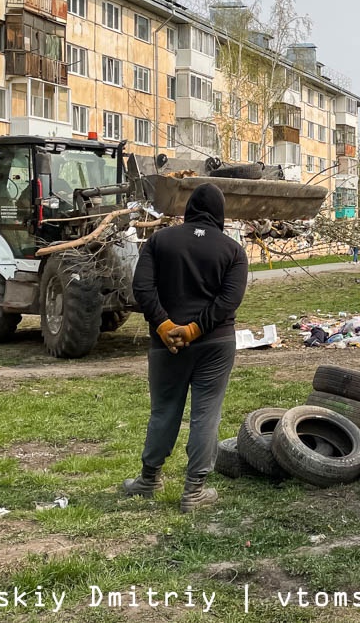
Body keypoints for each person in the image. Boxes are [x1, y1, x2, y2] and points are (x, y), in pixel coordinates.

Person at [124, 183, 248, 513]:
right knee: (206, 413)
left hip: (166, 346)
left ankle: (149, 479)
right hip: (215, 344)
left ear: (189, 208)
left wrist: (165, 326)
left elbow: (142, 287)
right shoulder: (233, 251)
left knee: (164, 411)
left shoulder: (159, 241)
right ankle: (194, 491)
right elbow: (228, 301)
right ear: (219, 214)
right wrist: (194, 329)